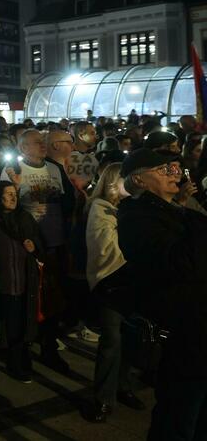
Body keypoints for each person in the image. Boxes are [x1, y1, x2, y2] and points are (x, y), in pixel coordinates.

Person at [116, 149, 207, 440]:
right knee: (179, 414)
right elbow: (180, 263)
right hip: (183, 333)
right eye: (163, 169)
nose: (175, 173)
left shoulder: (179, 212)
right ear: (139, 180)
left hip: (199, 328)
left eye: (175, 167)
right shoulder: (137, 216)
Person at [1, 128, 71, 372]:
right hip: (27, 246)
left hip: (53, 243)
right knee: (28, 301)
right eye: (37, 142)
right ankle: (22, 350)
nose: (43, 145)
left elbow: (62, 202)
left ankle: (49, 348)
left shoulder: (54, 169)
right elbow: (6, 206)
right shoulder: (13, 172)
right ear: (22, 148)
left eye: (43, 142)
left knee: (52, 300)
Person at [84, 162, 143, 422]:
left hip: (132, 283)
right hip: (111, 282)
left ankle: (123, 385)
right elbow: (104, 247)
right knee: (111, 340)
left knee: (131, 338)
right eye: (126, 180)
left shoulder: (135, 208)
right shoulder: (100, 208)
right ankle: (103, 398)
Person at [0, 182, 42, 383]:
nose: (12, 198)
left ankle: (15, 364)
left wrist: (34, 246)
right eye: (7, 194)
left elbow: (38, 242)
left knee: (17, 326)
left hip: (22, 283)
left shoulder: (24, 219)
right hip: (0, 282)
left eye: (14, 193)